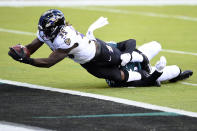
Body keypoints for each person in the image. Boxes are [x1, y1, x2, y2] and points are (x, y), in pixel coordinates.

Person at [8, 9, 153, 85]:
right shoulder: (46, 32)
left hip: (99, 52)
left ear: (57, 27)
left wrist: (26, 61)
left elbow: (49, 62)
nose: (43, 33)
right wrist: (23, 51)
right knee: (117, 77)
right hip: (85, 62)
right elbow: (31, 47)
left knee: (121, 60)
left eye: (46, 29)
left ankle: (142, 58)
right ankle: (147, 77)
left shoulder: (67, 38)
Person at [105, 41, 193, 87]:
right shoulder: (118, 79)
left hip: (138, 57)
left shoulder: (108, 49)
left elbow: (130, 42)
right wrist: (158, 72)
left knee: (156, 45)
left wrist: (137, 55)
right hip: (146, 72)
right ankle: (176, 77)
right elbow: (145, 82)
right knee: (176, 70)